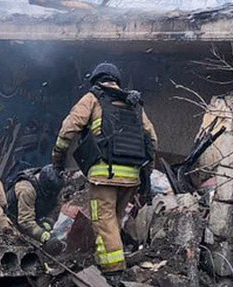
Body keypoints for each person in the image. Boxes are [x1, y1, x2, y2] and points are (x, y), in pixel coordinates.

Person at [51, 62, 157, 273]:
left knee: (103, 220)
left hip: (104, 174)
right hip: (132, 176)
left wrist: (58, 158)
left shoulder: (93, 97)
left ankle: (113, 271)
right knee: (113, 221)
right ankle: (105, 261)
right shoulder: (133, 103)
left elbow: (68, 129)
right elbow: (152, 139)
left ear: (96, 80)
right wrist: (147, 173)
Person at [6, 164, 64, 253]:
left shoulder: (55, 186)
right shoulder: (26, 190)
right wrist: (44, 236)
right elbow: (25, 222)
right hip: (13, 219)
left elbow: (57, 205)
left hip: (33, 215)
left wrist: (48, 222)